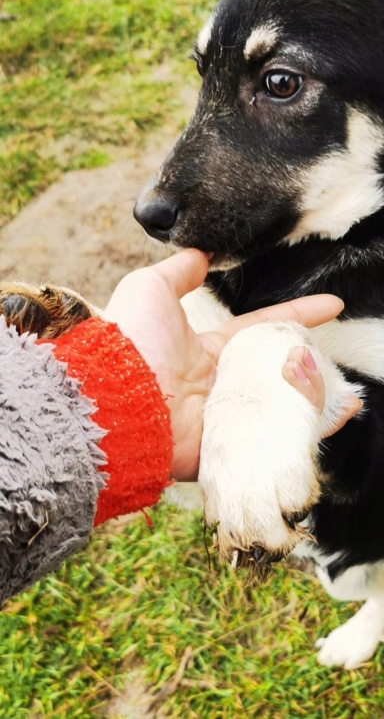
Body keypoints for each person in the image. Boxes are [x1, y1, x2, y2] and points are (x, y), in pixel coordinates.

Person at [0, 249, 360, 604]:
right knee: (344, 583)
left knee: (349, 581)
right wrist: (111, 399)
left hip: (373, 508)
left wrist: (111, 391)